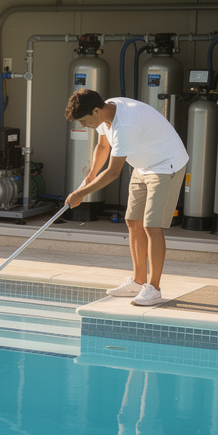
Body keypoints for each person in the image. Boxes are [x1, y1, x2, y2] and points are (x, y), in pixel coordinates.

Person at [64, 89, 188, 306]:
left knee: (152, 226)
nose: (84, 126)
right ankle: (138, 281)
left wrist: (80, 194)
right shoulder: (104, 112)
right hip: (142, 165)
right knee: (132, 221)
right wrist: (91, 175)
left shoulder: (125, 125)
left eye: (84, 121)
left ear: (95, 111)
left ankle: (154, 288)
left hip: (165, 164)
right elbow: (103, 146)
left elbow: (113, 173)